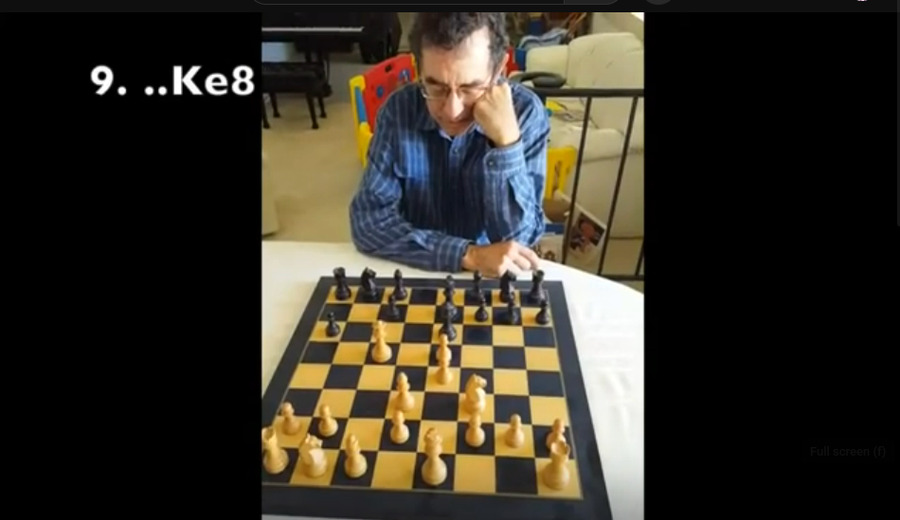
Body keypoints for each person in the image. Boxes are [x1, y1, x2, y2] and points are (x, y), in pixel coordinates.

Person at [348, 12, 549, 277]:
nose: (452, 110)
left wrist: (506, 144)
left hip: (491, 278)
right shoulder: (399, 110)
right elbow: (368, 222)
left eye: (469, 88)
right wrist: (468, 254)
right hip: (417, 270)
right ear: (419, 67)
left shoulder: (525, 113)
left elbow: (519, 238)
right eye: (436, 87)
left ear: (499, 68)